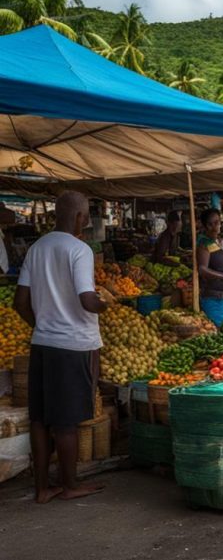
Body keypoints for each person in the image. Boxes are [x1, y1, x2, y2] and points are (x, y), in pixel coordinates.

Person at [13, 191, 107, 503]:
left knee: (40, 419)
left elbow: (20, 302)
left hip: (42, 345)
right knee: (66, 422)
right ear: (80, 217)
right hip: (73, 347)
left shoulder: (37, 248)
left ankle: (42, 488)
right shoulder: (80, 250)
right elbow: (87, 299)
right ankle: (69, 485)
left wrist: (42, 325)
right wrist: (105, 303)